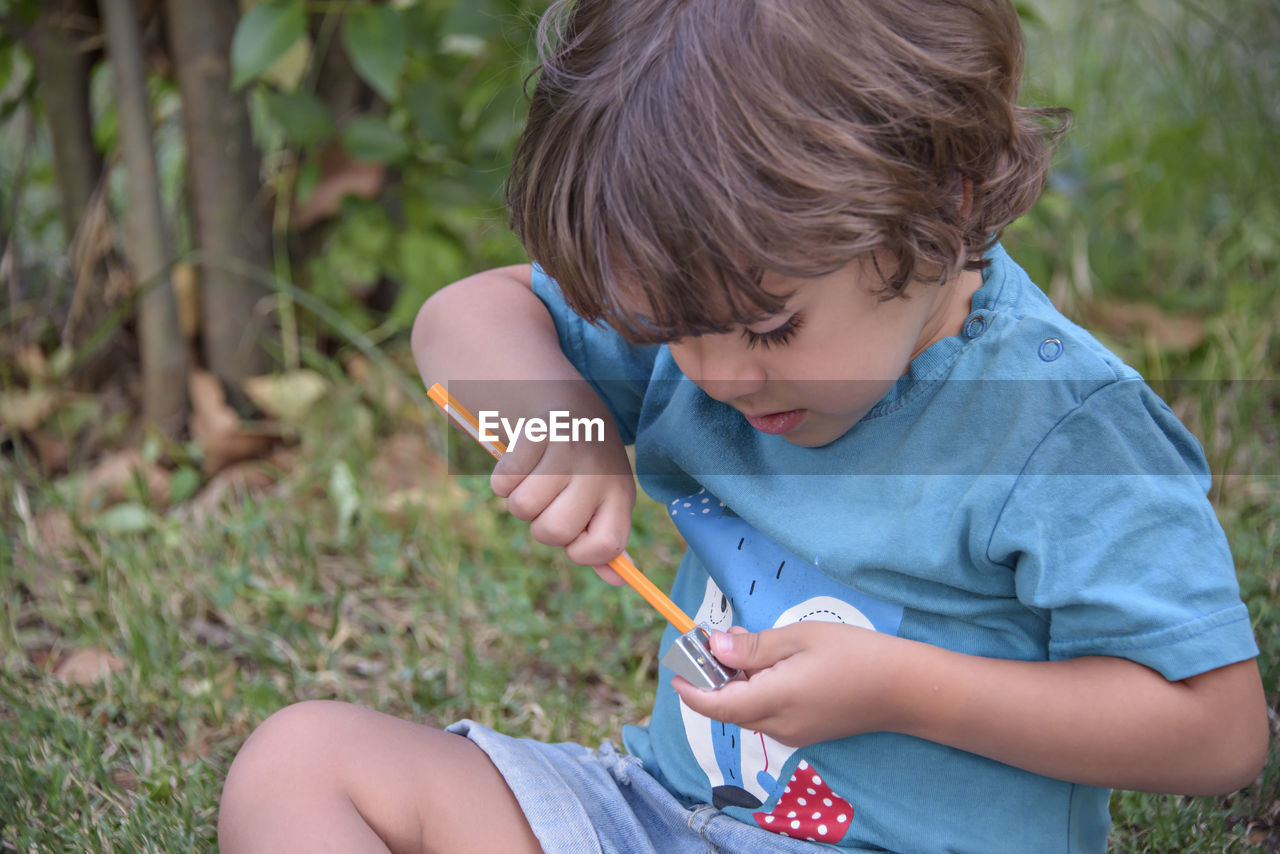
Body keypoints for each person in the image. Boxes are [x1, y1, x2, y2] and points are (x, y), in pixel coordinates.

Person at [217, 0, 1268, 851]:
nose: (714, 373)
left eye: (768, 326)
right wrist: (560, 420)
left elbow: (1218, 733)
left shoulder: (1055, 422)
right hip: (662, 816)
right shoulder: (717, 313)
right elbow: (461, 315)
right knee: (298, 763)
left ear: (940, 207)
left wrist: (902, 690)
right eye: (665, 329)